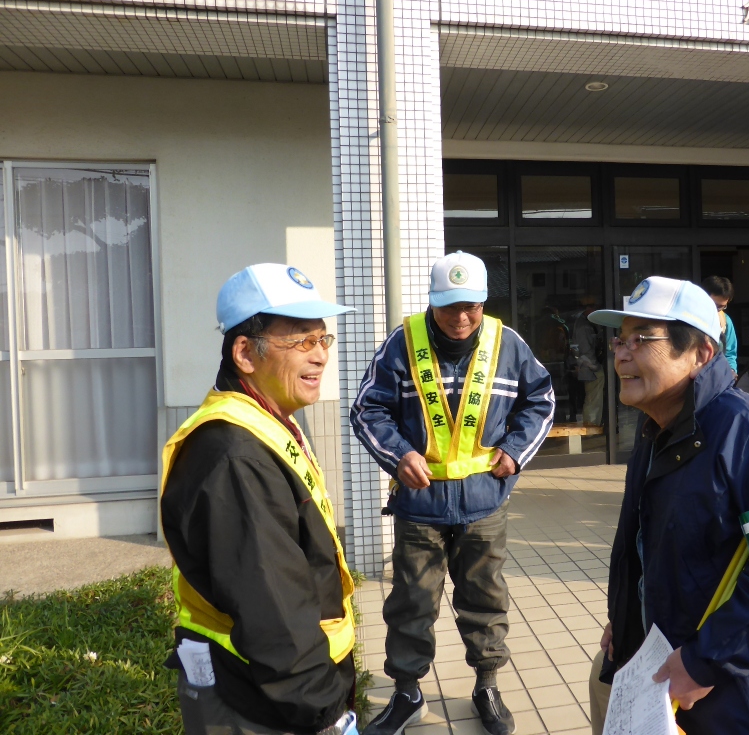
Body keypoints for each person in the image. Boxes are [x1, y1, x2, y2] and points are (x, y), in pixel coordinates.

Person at [587, 275, 749, 735]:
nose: (622, 354)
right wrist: (628, 619)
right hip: (673, 686)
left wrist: (702, 661)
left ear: (702, 353)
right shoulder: (657, 431)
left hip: (740, 701)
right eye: (620, 340)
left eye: (642, 339)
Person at [351, 251, 555, 735]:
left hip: (485, 502)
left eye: (471, 307)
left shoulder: (508, 343)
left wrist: (515, 452)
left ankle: (487, 685)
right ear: (432, 301)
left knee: (485, 598)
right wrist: (399, 454)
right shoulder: (403, 343)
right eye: (449, 307)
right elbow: (367, 409)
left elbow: (541, 400)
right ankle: (407, 692)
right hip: (420, 506)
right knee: (411, 602)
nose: (461, 318)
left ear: (483, 302)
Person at [160, 263, 360, 735]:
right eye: (301, 341)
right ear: (245, 353)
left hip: (271, 688)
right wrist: (327, 714)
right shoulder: (234, 455)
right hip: (259, 700)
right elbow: (273, 609)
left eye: (322, 338)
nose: (320, 356)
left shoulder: (265, 421)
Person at [573, 296, 606, 425]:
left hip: (588, 367)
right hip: (590, 368)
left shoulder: (584, 323)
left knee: (593, 398)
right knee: (593, 399)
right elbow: (585, 350)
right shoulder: (584, 326)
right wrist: (596, 367)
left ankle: (592, 425)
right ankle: (591, 426)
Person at [701, 275, 738, 373]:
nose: (715, 310)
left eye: (721, 307)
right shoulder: (688, 318)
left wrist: (731, 370)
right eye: (713, 305)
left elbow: (730, 353)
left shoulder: (725, 321)